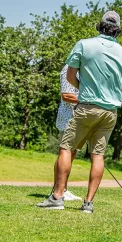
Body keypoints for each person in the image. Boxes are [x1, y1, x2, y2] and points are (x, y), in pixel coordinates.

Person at [37, 11, 122, 213]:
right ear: (118, 30)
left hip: (87, 107)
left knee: (66, 148)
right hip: (110, 113)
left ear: (100, 26)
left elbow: (71, 75)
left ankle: (57, 197)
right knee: (98, 156)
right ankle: (88, 204)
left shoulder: (84, 44)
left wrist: (86, 89)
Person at [51, 64, 82, 201]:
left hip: (77, 118)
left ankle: (63, 188)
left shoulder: (82, 70)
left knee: (71, 153)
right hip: (67, 118)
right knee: (64, 153)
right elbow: (66, 95)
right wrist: (90, 101)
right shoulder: (68, 69)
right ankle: (58, 190)